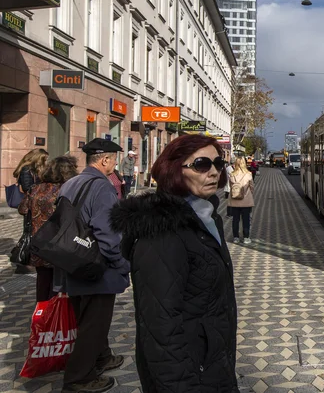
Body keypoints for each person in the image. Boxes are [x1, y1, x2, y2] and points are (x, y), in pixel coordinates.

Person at [110, 134, 237, 392]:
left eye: (218, 164)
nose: (213, 172)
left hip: (212, 362)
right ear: (174, 171)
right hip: (188, 376)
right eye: (201, 164)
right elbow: (160, 327)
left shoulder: (206, 218)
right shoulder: (163, 233)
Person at [58, 138, 129, 393]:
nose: (115, 163)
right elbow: (108, 234)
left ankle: (102, 356)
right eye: (114, 158)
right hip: (97, 266)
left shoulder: (71, 183)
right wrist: (122, 263)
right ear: (105, 160)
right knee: (94, 324)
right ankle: (79, 377)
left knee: (87, 318)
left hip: (71, 260)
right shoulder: (102, 187)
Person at [18, 155, 79, 302]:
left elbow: (22, 209)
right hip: (60, 244)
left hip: (38, 243)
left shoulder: (35, 188)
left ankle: (42, 314)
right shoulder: (68, 190)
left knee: (42, 281)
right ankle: (56, 317)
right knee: (59, 285)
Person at [11, 149, 48, 273]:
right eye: (44, 159)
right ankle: (22, 259)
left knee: (31, 231)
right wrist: (41, 188)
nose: (46, 161)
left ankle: (28, 258)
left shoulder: (33, 169)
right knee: (28, 232)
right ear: (37, 158)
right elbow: (27, 187)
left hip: (34, 204)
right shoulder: (27, 169)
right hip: (29, 204)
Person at [229, 157, 254, 244]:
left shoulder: (232, 174)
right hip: (246, 200)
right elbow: (252, 187)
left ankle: (236, 237)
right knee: (246, 219)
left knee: (235, 220)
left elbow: (231, 187)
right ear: (244, 163)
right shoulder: (248, 174)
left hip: (235, 200)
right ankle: (246, 237)